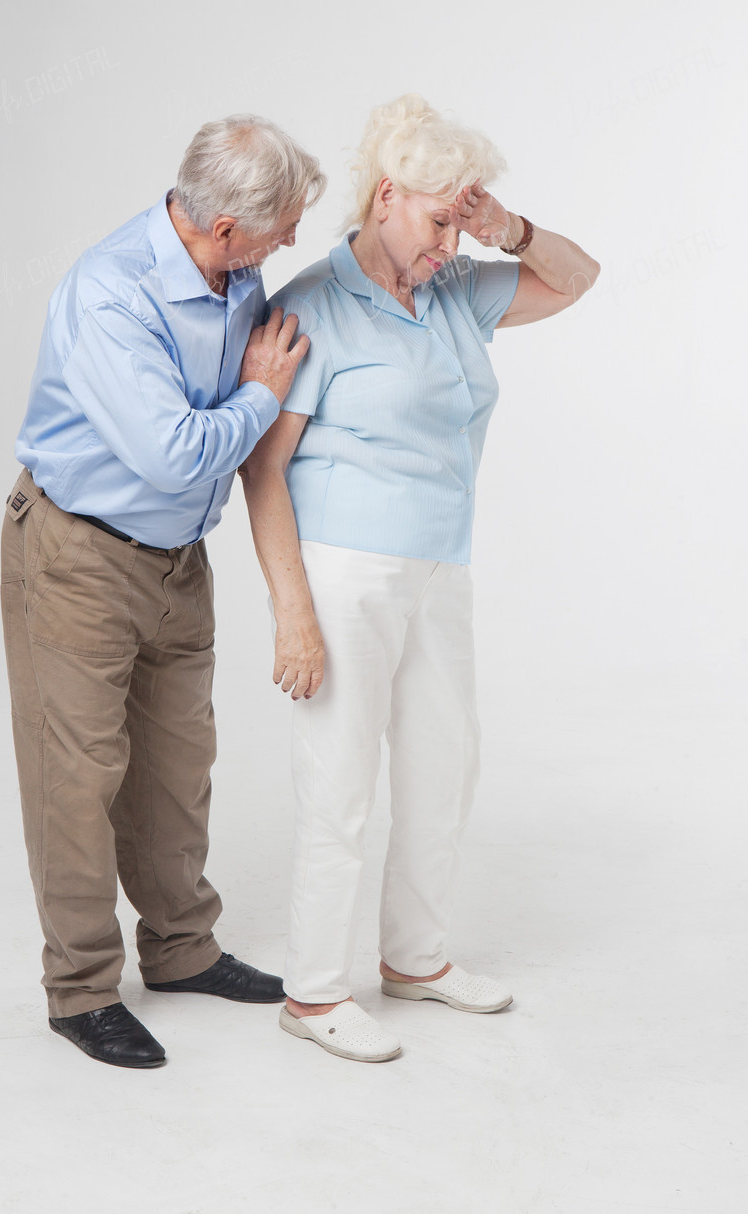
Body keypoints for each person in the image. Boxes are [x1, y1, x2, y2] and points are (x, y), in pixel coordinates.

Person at [241, 95, 600, 1063]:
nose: (451, 239)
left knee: (443, 768)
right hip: (343, 572)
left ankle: (416, 959)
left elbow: (574, 279)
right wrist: (292, 617)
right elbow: (262, 469)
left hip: (440, 562)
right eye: (440, 217)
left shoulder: (454, 288)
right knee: (339, 784)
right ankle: (313, 992)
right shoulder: (312, 304)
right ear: (387, 195)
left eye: (463, 218)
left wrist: (506, 230)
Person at [1, 115, 324, 1068]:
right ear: (224, 227)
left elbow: (193, 456)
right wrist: (263, 394)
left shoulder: (237, 271)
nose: (288, 245)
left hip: (179, 560)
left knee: (179, 771)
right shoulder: (108, 293)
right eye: (280, 229)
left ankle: (182, 951)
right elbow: (176, 451)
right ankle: (80, 990)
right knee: (78, 779)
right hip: (76, 558)